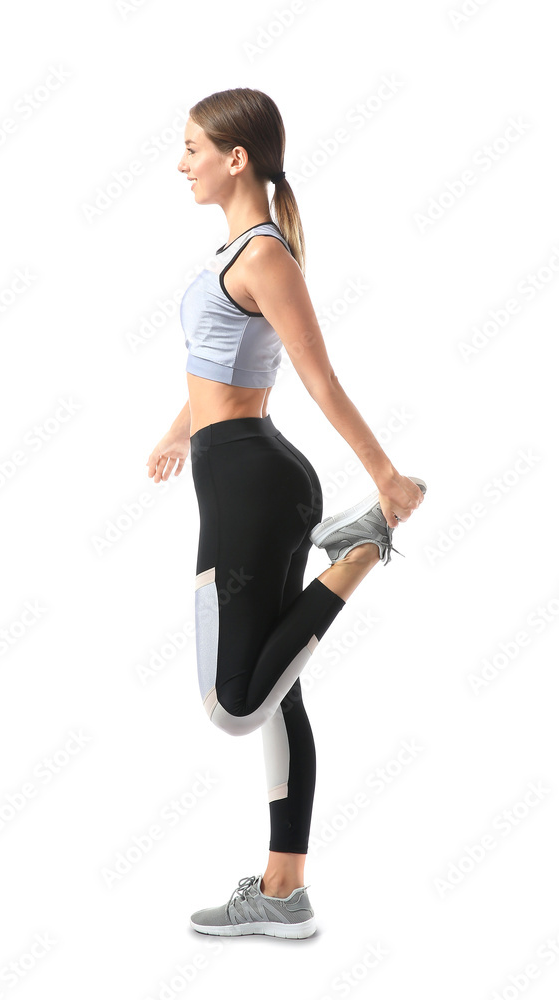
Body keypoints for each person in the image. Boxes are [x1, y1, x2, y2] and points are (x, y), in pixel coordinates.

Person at [145, 88, 426, 939]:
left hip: (257, 485)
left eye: (193, 147)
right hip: (231, 471)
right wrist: (173, 435)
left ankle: (365, 544)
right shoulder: (233, 249)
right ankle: (282, 891)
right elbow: (215, 368)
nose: (181, 162)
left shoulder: (266, 256)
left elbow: (319, 380)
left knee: (235, 705)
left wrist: (386, 480)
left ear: (237, 158)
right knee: (281, 693)